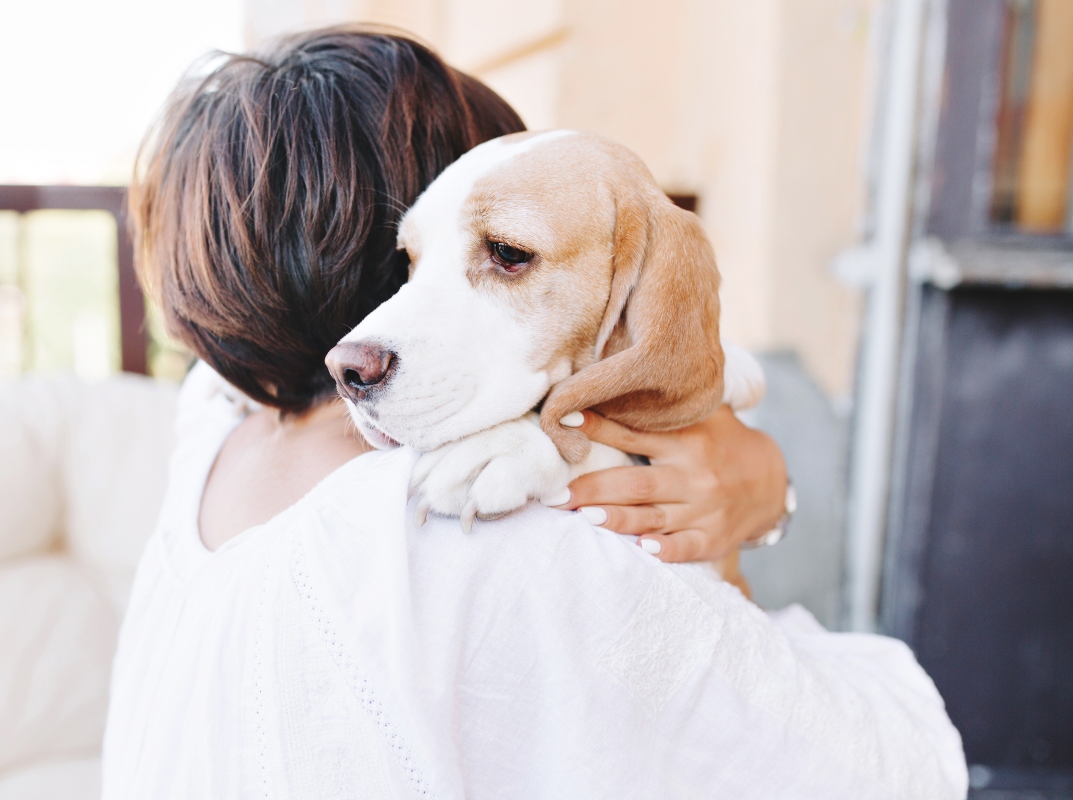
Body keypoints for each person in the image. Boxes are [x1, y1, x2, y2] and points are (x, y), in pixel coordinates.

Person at [102, 27, 966, 799]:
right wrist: (760, 486)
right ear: (388, 258)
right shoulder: (508, 538)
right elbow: (891, 770)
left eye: (505, 251)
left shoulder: (211, 428)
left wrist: (719, 441)